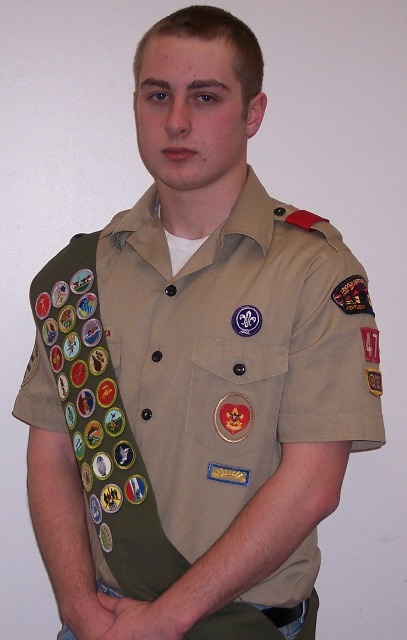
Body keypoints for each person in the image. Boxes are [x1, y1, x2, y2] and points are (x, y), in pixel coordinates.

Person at [13, 5, 385, 640]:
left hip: (242, 625)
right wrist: (77, 607)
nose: (177, 121)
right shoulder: (83, 274)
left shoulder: (314, 270)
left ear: (253, 113)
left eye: (205, 97)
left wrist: (165, 620)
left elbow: (313, 486)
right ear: (136, 105)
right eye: (157, 95)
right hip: (103, 622)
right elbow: (51, 451)